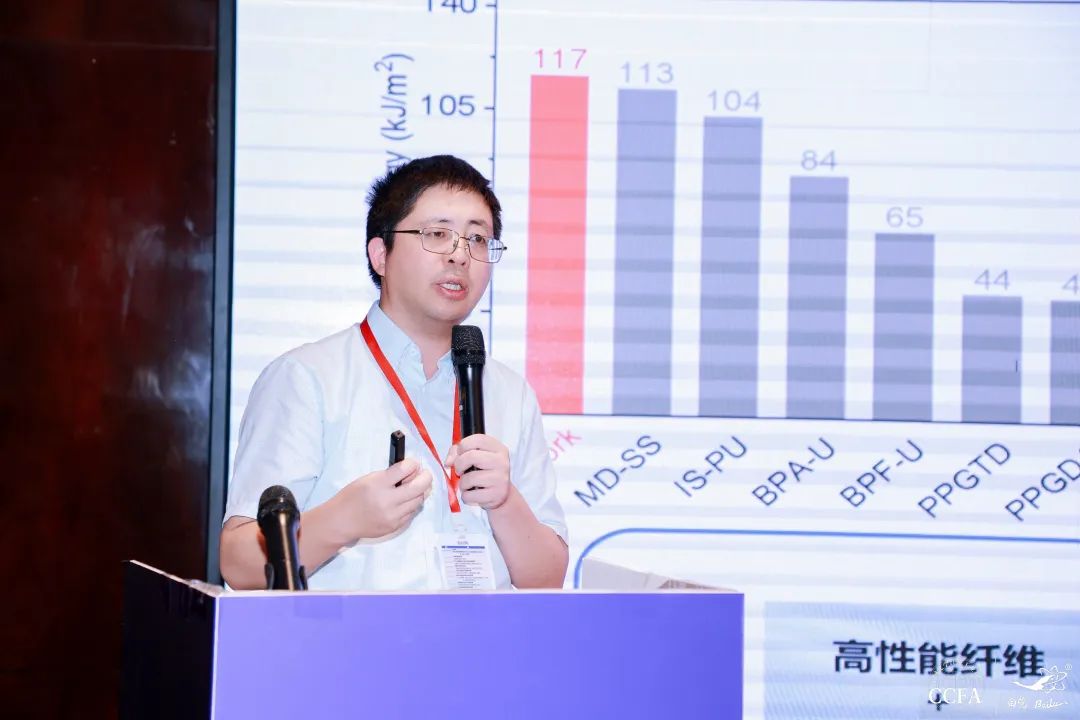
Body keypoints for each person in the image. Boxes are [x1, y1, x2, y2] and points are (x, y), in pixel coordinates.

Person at [220, 155, 568, 590]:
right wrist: (343, 519)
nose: (460, 255)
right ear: (380, 254)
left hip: (484, 635)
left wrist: (505, 502)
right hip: (352, 635)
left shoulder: (509, 393)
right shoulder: (307, 377)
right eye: (437, 234)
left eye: (478, 239)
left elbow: (547, 578)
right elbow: (237, 563)